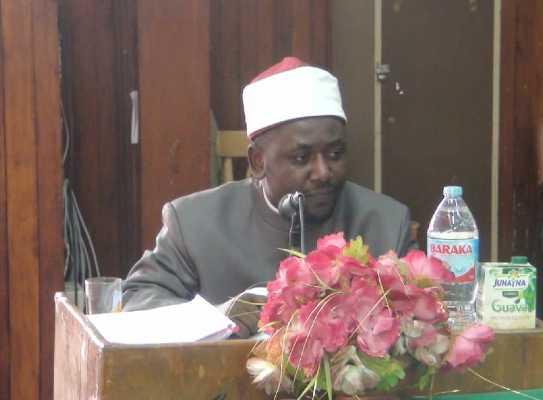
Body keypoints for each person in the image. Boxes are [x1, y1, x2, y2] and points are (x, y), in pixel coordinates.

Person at [122, 57, 414, 337]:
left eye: (335, 154)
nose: (323, 172)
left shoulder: (386, 223)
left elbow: (422, 317)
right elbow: (139, 300)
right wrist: (218, 319)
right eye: (301, 158)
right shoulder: (194, 223)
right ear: (258, 161)